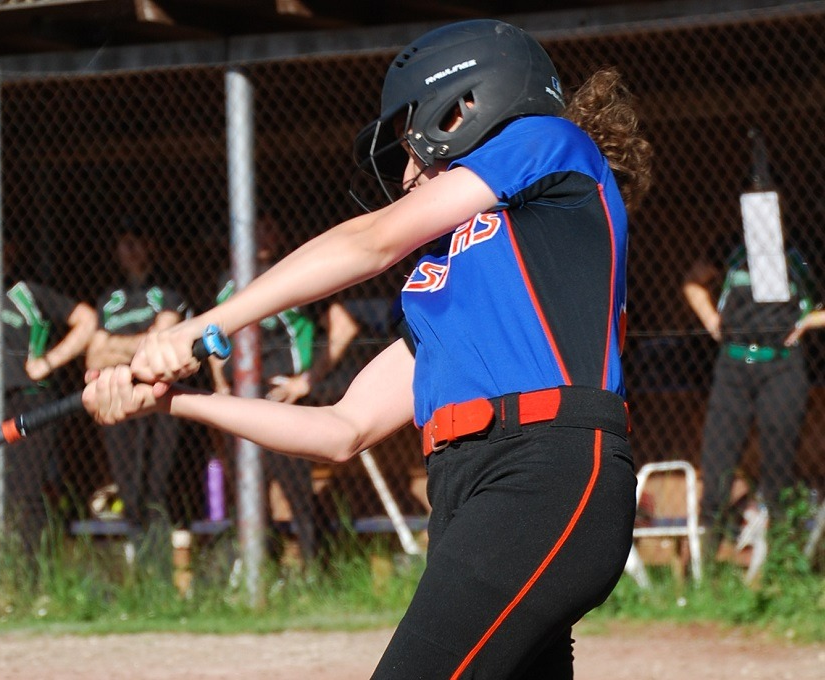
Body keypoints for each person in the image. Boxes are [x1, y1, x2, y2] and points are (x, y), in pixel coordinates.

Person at [83, 19, 652, 678]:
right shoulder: (448, 287)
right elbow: (339, 429)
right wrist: (178, 402)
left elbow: (372, 242)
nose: (410, 175)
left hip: (543, 474)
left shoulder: (547, 140)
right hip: (471, 493)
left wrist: (201, 327)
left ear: (466, 105)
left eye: (415, 151)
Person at [0, 228, 97, 553]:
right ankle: (8, 568)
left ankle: (33, 572)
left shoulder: (28, 290)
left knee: (23, 492)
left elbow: (86, 319)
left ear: (9, 248)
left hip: (26, 400)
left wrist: (48, 361)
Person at [683, 236, 825, 556]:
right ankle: (707, 565)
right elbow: (693, 283)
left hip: (782, 365)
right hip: (732, 366)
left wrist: (806, 321)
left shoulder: (801, 251)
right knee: (717, 462)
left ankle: (781, 558)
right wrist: (711, 319)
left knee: (778, 467)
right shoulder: (729, 246)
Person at [207, 214, 320, 562]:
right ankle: (261, 567)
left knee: (296, 488)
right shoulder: (231, 281)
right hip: (242, 396)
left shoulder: (295, 274)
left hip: (279, 393)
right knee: (247, 488)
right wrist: (220, 386)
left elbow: (339, 326)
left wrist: (306, 380)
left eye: (270, 228)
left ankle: (316, 567)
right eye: (257, 230)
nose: (264, 236)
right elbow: (212, 334)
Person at [85, 225, 188, 536]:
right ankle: (135, 548)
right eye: (123, 244)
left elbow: (162, 340)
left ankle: (157, 557)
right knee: (126, 482)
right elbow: (93, 358)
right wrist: (140, 343)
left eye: (135, 243)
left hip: (157, 395)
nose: (129, 251)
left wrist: (114, 346)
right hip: (118, 393)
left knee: (156, 483)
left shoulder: (167, 291)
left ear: (149, 246)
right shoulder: (109, 299)